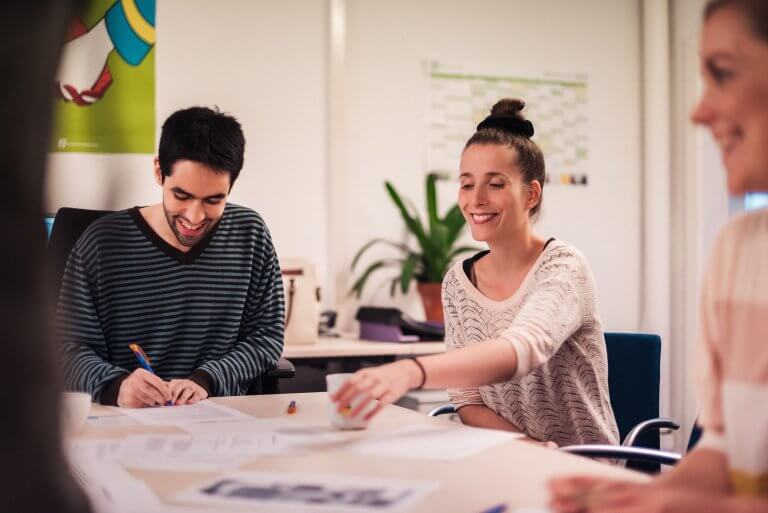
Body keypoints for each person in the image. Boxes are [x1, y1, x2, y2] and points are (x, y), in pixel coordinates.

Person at [549, 1, 768, 511]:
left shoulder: (564, 263)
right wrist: (646, 494)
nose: (699, 110)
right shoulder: (738, 251)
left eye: (723, 74)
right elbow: (724, 451)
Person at [333, 98, 619, 447]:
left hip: (584, 467)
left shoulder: (564, 267)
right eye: (467, 184)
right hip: (512, 458)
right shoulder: (457, 280)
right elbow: (468, 400)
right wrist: (529, 450)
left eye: (495, 184)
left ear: (531, 194)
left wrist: (412, 371)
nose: (476, 199)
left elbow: (523, 348)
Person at [57, 106, 285, 408]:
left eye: (213, 200)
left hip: (217, 420)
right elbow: (65, 349)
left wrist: (207, 379)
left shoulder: (250, 234)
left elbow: (266, 337)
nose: (194, 216)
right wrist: (116, 385)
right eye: (182, 195)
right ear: (158, 172)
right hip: (124, 421)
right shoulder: (101, 243)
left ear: (231, 185)